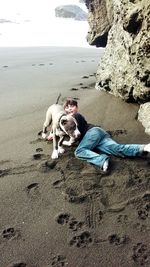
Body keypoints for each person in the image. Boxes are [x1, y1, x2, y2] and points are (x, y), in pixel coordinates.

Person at [63, 98, 150, 172]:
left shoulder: (75, 116)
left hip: (92, 133)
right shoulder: (69, 123)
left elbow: (72, 136)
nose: (70, 109)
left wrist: (67, 142)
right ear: (64, 110)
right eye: (67, 107)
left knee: (79, 151)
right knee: (116, 149)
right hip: (99, 135)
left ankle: (101, 160)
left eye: (72, 106)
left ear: (77, 108)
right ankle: (144, 148)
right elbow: (68, 131)